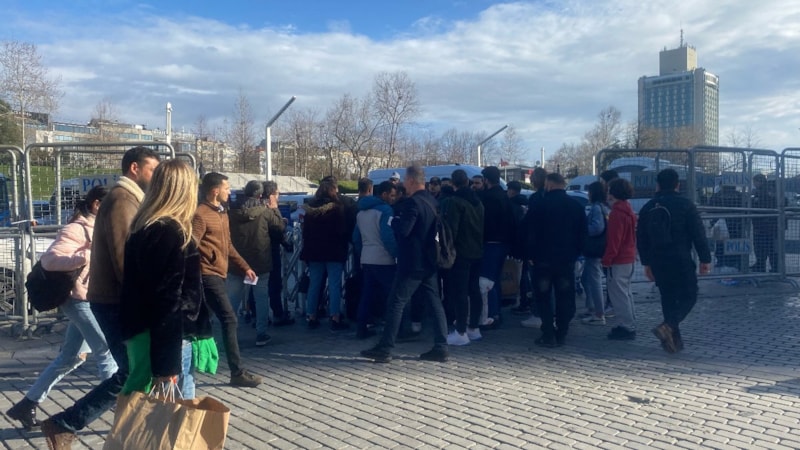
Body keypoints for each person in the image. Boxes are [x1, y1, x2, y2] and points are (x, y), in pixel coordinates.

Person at [41, 146, 160, 449]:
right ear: (134, 168)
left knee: (125, 367)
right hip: (114, 301)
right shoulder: (122, 200)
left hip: (109, 298)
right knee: (133, 370)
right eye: (152, 169)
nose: (155, 176)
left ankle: (52, 415)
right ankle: (65, 423)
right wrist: (140, 301)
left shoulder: (129, 198)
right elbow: (124, 257)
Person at [6, 186, 115, 431]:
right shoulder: (76, 229)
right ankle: (122, 410)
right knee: (105, 350)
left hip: (90, 298)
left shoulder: (100, 227)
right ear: (97, 204)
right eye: (112, 205)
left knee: (71, 357)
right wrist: (86, 256)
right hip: (77, 300)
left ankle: (27, 404)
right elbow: (50, 260)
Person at [119, 159, 207, 399]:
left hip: (145, 331)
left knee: (159, 405)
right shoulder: (171, 231)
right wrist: (166, 364)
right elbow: (168, 299)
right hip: (168, 337)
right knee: (175, 411)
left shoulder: (142, 227)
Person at [361, 164, 450, 363]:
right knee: (435, 302)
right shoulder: (432, 201)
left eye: (404, 180)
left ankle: (385, 347)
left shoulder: (412, 203)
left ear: (410, 180)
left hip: (412, 262)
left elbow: (404, 230)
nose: (402, 184)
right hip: (430, 260)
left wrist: (393, 221)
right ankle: (441, 346)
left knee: (396, 302)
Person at [193, 172, 262, 387]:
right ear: (215, 191)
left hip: (219, 273)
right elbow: (191, 246)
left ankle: (188, 365)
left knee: (201, 320)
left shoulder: (222, 213)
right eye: (227, 188)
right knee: (229, 318)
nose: (229, 191)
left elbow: (228, 246)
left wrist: (245, 267)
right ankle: (237, 371)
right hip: (207, 274)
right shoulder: (200, 214)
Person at [637, 168, 711, 353]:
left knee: (667, 297)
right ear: (677, 185)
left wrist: (646, 263)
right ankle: (669, 326)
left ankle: (673, 341)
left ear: (657, 185)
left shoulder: (648, 207)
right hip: (680, 257)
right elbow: (698, 233)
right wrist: (705, 259)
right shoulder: (685, 205)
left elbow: (642, 238)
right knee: (690, 294)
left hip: (658, 259)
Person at [523, 172, 586, 348]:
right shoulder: (575, 206)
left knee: (543, 297)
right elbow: (583, 234)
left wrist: (530, 255)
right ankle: (562, 332)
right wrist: (576, 253)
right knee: (564, 296)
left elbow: (529, 232)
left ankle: (548, 332)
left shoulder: (539, 205)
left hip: (542, 259)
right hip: (566, 260)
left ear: (548, 185)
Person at [227, 180, 286, 346]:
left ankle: (229, 334)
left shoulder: (233, 211)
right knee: (261, 298)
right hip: (260, 261)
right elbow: (280, 227)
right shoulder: (265, 212)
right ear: (260, 195)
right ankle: (261, 333)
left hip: (237, 261)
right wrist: (275, 208)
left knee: (233, 299)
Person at [441, 169, 485, 345]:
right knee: (474, 290)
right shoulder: (478, 202)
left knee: (460, 292)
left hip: (461, 252)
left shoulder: (454, 202)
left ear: (453, 183)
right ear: (467, 182)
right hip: (477, 250)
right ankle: (474, 327)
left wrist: (446, 249)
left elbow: (451, 229)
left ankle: (460, 331)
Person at [300, 178, 350, 331]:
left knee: (314, 284)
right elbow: (342, 231)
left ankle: (311, 315)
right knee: (334, 285)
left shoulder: (310, 210)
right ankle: (335, 316)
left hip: (314, 252)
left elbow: (305, 233)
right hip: (333, 251)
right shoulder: (337, 209)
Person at [353, 180, 397, 339]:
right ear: (384, 194)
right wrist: (396, 253)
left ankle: (361, 327)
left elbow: (356, 238)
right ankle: (392, 329)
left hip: (367, 258)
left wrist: (362, 253)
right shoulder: (386, 211)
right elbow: (387, 236)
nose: (393, 199)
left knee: (367, 295)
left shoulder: (361, 212)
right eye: (392, 195)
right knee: (392, 295)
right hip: (384, 258)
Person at [602, 178, 638, 340]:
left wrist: (607, 259)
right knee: (626, 292)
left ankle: (625, 325)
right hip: (628, 256)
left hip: (619, 259)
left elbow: (614, 240)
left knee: (618, 294)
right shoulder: (628, 211)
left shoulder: (616, 214)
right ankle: (629, 322)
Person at [479, 166, 515, 327]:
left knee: (487, 281)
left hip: (490, 243)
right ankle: (496, 312)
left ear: (486, 180)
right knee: (495, 280)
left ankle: (490, 316)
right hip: (504, 243)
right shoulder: (504, 197)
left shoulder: (488, 198)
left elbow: (485, 222)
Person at [262, 181, 294, 326]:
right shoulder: (270, 210)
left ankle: (257, 314)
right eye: (277, 194)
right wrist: (278, 214)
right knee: (274, 283)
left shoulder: (254, 208)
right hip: (270, 250)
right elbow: (278, 228)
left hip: (256, 252)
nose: (279, 196)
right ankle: (277, 313)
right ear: (271, 196)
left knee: (257, 285)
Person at [520, 167, 547, 327]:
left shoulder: (536, 198)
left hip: (536, 248)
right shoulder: (548, 197)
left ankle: (538, 314)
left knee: (537, 283)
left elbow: (531, 225)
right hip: (550, 248)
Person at [580, 181, 609, 326]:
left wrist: (583, 231)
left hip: (594, 250)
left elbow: (597, 228)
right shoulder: (604, 207)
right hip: (599, 249)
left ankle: (598, 313)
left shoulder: (596, 208)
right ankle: (593, 308)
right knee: (586, 279)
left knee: (594, 280)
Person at [750, 174, 779, 272]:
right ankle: (774, 267)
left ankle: (761, 265)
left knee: (761, 246)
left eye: (755, 182)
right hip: (769, 225)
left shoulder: (761, 192)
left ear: (759, 181)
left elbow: (758, 206)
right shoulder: (771, 190)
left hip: (762, 224)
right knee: (771, 247)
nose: (754, 184)